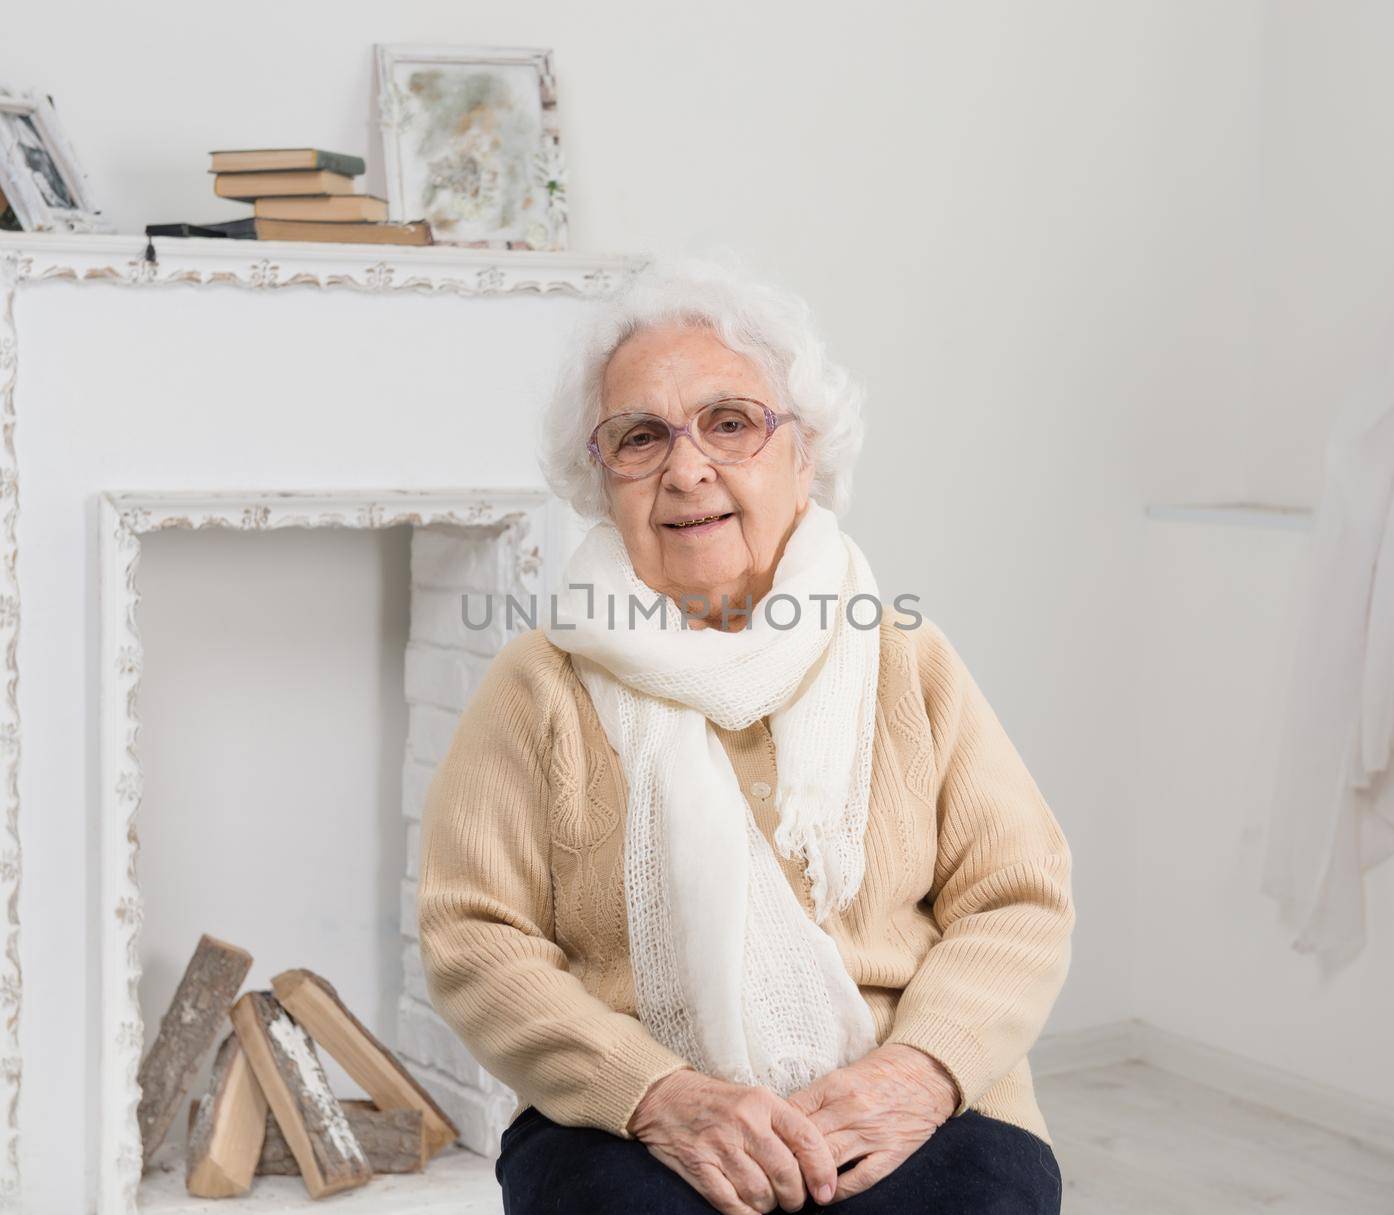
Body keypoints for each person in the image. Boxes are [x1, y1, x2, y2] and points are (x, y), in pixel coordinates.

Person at [416, 254, 1074, 1214]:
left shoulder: (903, 654)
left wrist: (921, 1073)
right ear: (601, 482)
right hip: (631, 1115)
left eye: (731, 423)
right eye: (641, 437)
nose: (688, 468)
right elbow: (473, 934)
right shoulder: (539, 684)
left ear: (804, 455)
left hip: (909, 1093)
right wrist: (653, 1092)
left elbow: (1018, 898)